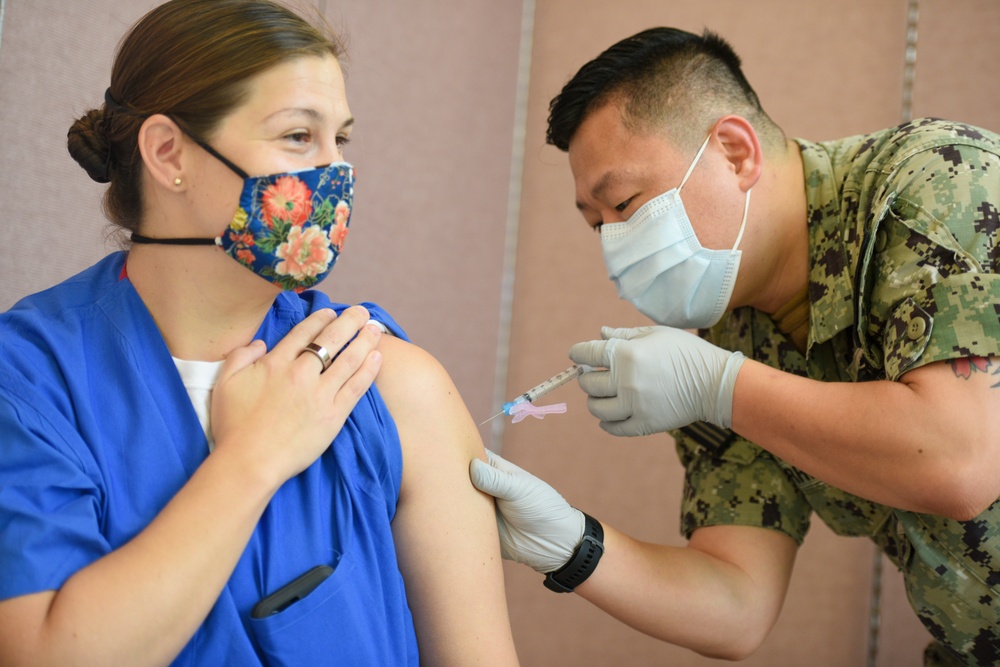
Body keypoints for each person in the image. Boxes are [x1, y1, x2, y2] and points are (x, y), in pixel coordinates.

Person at [0, 1, 520, 665]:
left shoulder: (391, 384)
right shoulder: (27, 379)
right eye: (300, 137)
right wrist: (256, 457)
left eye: (342, 141)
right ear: (168, 153)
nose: (336, 175)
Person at [471, 26, 999, 667]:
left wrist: (721, 388)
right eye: (596, 225)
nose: (615, 244)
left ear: (734, 151)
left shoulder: (937, 185)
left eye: (626, 203)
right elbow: (736, 606)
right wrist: (572, 546)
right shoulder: (726, 343)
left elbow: (961, 461)